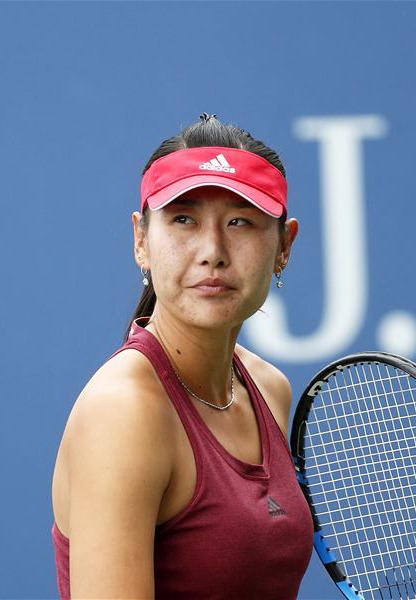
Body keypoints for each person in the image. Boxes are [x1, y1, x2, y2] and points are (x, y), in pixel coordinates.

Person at [50, 113, 311, 599]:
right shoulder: (124, 412)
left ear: (284, 246)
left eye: (240, 222)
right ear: (141, 240)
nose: (212, 250)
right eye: (184, 219)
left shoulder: (270, 389)